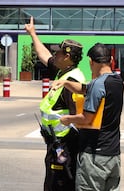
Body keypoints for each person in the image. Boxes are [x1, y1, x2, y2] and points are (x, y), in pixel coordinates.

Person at [52, 43, 124, 191]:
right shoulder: (117, 81)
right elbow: (86, 89)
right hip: (113, 155)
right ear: (111, 59)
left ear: (91, 62)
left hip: (94, 157)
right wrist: (66, 82)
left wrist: (67, 119)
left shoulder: (98, 84)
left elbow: (86, 118)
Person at [25, 16, 86, 191]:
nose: (54, 55)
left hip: (65, 146)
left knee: (60, 185)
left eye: (58, 53)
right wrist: (33, 34)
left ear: (67, 57)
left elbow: (81, 119)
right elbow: (44, 56)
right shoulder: (64, 72)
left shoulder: (72, 82)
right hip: (56, 144)